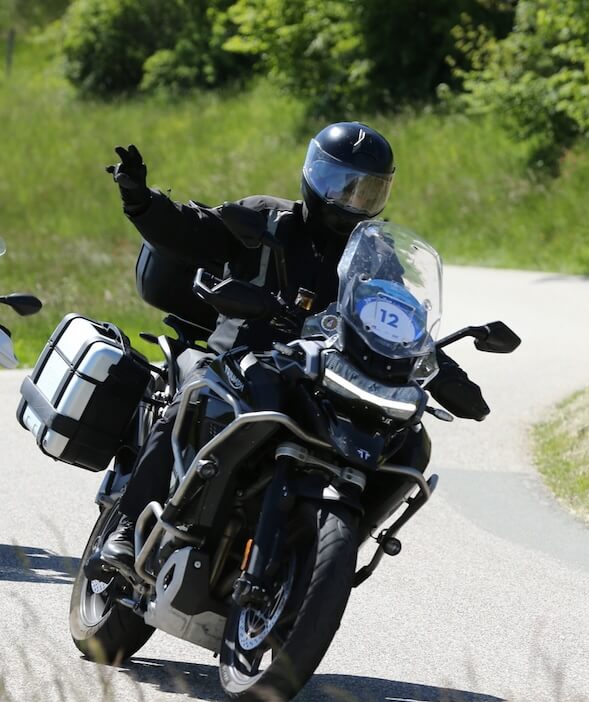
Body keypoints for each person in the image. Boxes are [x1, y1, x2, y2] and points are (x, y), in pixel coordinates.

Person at [96, 121, 490, 577]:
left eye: (367, 192)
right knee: (198, 392)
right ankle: (125, 525)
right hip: (238, 358)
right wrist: (142, 201)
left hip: (319, 379)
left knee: (402, 440)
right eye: (343, 186)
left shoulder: (378, 258)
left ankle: (317, 554)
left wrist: (443, 373)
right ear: (314, 176)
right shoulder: (265, 220)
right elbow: (192, 232)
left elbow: (399, 324)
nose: (353, 200)